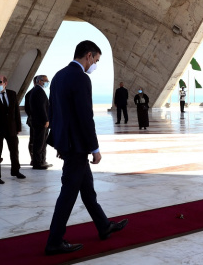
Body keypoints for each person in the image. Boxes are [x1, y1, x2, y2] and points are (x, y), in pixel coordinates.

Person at [45, 40, 128, 255]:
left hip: (67, 143)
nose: (95, 65)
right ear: (89, 56)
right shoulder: (80, 78)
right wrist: (94, 148)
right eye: (96, 60)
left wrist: (59, 142)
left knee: (88, 190)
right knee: (68, 193)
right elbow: (85, 117)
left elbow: (53, 114)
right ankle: (54, 241)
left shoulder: (58, 76)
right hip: (78, 147)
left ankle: (104, 226)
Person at [0, 74, 25, 184]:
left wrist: (18, 127)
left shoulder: (12, 94)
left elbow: (16, 113)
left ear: (5, 83)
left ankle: (16, 171)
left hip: (11, 129)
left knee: (14, 151)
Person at [28, 75, 52, 169]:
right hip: (40, 122)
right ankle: (37, 163)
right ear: (39, 81)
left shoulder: (38, 91)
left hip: (38, 121)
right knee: (39, 142)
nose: (47, 82)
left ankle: (40, 161)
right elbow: (41, 108)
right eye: (45, 80)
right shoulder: (38, 91)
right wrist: (46, 120)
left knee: (42, 142)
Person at [24, 77, 36, 165]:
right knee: (33, 140)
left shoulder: (31, 93)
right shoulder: (31, 93)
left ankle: (37, 158)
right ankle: (34, 158)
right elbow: (28, 109)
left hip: (34, 120)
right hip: (34, 121)